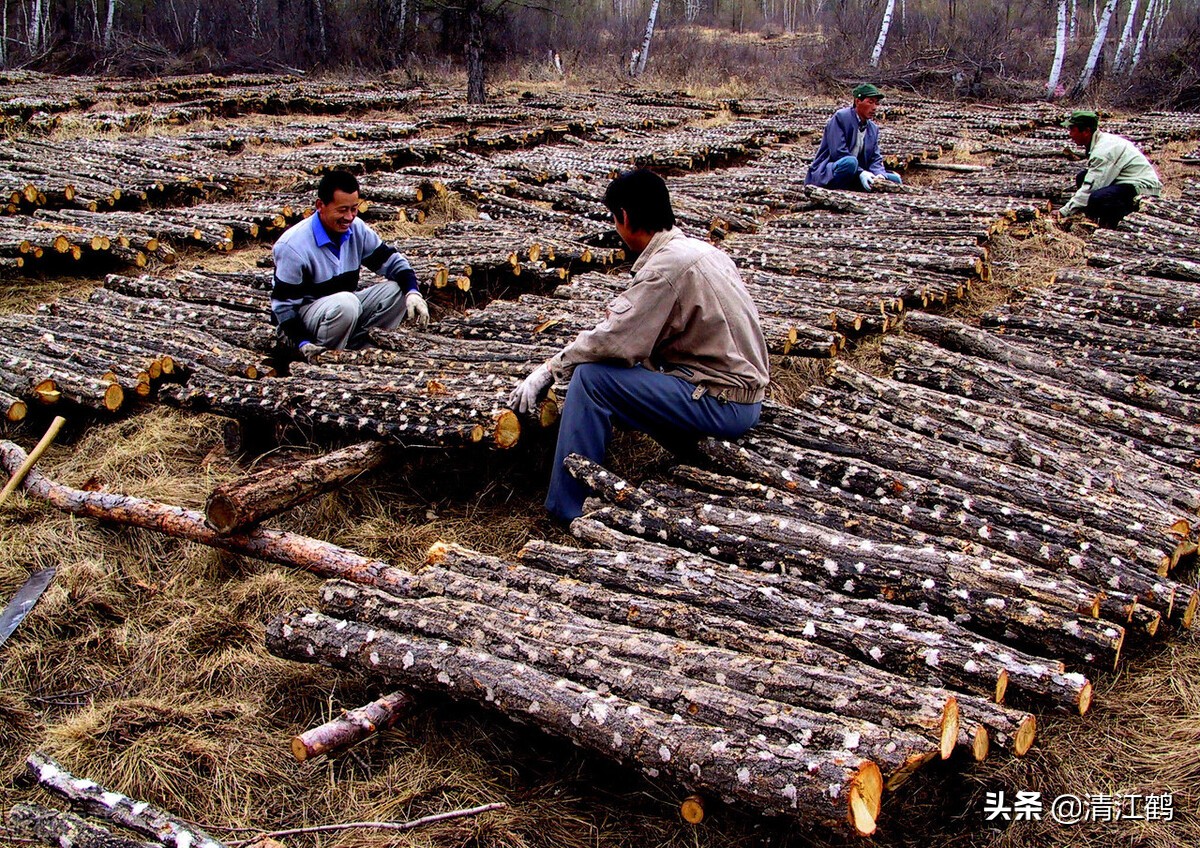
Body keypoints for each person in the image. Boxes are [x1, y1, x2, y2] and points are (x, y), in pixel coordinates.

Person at [508, 168, 770, 523]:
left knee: (591, 379)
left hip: (722, 405)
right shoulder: (700, 251)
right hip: (741, 398)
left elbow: (615, 341)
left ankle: (567, 509)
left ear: (625, 218)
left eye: (615, 221)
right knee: (615, 373)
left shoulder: (666, 269)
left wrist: (551, 369)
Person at [271, 170, 429, 360]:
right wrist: (302, 343)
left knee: (397, 290)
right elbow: (283, 309)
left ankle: (360, 352)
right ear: (320, 205)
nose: (349, 217)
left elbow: (392, 262)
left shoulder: (356, 229)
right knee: (346, 304)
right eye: (342, 210)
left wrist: (412, 292)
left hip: (340, 312)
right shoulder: (293, 246)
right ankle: (322, 357)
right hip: (304, 323)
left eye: (354, 209)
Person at [1056, 110, 1162, 228]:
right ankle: (1095, 215)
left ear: (1086, 131)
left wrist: (1063, 212)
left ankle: (1121, 221)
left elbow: (1091, 188)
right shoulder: (1099, 141)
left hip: (1142, 187)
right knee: (1082, 177)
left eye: (1072, 130)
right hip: (1126, 180)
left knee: (1099, 198)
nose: (1070, 134)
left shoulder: (1103, 151)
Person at [804, 83, 903, 192]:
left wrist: (879, 174)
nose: (874, 107)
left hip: (855, 174)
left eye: (876, 103)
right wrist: (861, 172)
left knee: (895, 180)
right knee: (850, 162)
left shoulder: (873, 128)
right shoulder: (841, 118)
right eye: (870, 102)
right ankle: (836, 192)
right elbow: (838, 153)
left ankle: (858, 187)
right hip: (831, 172)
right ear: (858, 101)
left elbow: (875, 158)